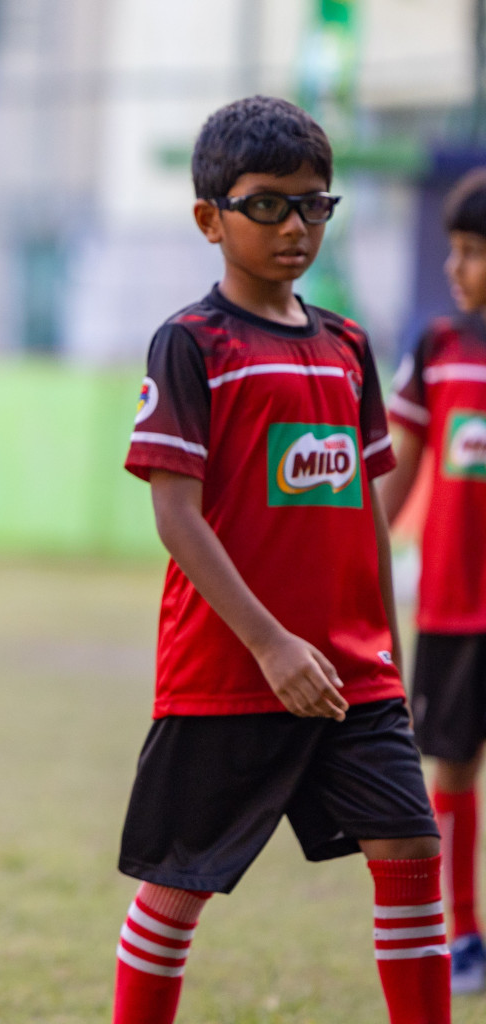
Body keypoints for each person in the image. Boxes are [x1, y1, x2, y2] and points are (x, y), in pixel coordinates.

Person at [116, 95, 446, 1024]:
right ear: (208, 217)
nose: (295, 226)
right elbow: (177, 517)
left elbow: (367, 517)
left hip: (354, 676)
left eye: (314, 204)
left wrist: (386, 653)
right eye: (267, 204)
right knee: (178, 893)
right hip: (227, 670)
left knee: (413, 857)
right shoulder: (192, 344)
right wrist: (270, 645)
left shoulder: (348, 347)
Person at [378, 166, 486, 995]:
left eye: (472, 251)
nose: (455, 267)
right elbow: (402, 474)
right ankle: (463, 933)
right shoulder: (439, 347)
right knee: (449, 765)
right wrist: (352, 549)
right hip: (453, 599)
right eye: (453, 250)